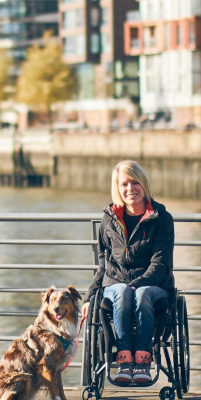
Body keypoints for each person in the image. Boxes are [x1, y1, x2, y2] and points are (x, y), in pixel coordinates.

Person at [82, 160, 175, 386]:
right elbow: (103, 264)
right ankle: (124, 360)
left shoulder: (162, 219)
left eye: (135, 182)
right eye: (124, 184)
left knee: (141, 293)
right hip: (117, 286)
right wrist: (89, 297)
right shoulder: (109, 219)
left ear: (143, 184)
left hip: (154, 286)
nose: (130, 189)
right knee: (122, 291)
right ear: (118, 188)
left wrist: (138, 283)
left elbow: (161, 264)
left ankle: (142, 361)